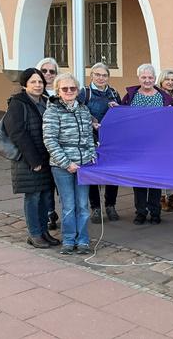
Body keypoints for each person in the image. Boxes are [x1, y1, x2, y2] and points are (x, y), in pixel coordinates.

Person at [4, 68, 58, 248]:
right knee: (33, 196)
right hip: (28, 160)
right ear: (24, 84)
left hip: (45, 157)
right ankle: (34, 233)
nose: (37, 85)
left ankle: (43, 232)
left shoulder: (46, 101)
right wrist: (34, 161)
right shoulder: (18, 103)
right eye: (33, 82)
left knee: (44, 196)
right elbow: (17, 133)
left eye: (40, 82)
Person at [43, 73, 96, 255]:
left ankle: (82, 240)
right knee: (68, 205)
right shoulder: (52, 111)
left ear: (77, 90)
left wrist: (91, 155)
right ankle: (68, 239)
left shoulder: (83, 110)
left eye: (72, 88)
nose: (69, 91)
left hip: (84, 165)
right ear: (58, 90)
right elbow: (50, 141)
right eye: (64, 88)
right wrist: (67, 163)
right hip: (62, 166)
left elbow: (89, 137)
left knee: (82, 205)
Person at [122, 64, 173, 225]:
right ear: (139, 78)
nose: (147, 80)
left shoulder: (163, 97)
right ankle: (140, 212)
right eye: (144, 77)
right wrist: (115, 108)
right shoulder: (131, 96)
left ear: (154, 78)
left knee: (154, 180)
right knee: (138, 180)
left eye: (150, 77)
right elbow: (122, 116)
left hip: (158, 146)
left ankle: (155, 211)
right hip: (136, 145)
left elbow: (171, 121)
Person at [77, 62, 121, 224]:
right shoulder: (84, 93)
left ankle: (110, 205)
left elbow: (122, 116)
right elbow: (77, 111)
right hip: (90, 140)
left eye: (104, 75)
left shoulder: (114, 93)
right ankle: (95, 208)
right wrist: (91, 120)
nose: (101, 78)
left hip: (110, 140)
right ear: (92, 76)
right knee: (93, 174)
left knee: (112, 174)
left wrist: (117, 108)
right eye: (98, 75)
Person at [36, 57, 60, 230]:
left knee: (59, 182)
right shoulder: (36, 93)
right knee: (46, 184)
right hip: (42, 145)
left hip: (62, 146)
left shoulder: (62, 91)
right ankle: (49, 212)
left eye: (52, 71)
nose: (48, 74)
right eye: (44, 71)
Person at [156, 69, 173, 212]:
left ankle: (172, 197)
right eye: (168, 79)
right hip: (160, 137)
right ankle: (161, 198)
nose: (170, 82)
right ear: (161, 81)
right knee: (161, 167)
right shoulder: (157, 96)